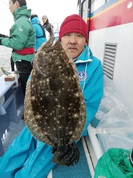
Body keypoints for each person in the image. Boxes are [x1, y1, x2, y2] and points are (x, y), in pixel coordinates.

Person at [0, 14, 103, 178]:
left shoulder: (94, 66)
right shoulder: (46, 58)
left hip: (66, 130)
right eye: (68, 35)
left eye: (79, 35)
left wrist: (70, 137)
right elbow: (32, 90)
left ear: (86, 40)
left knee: (30, 172)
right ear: (61, 39)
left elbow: (89, 104)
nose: (73, 40)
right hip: (41, 120)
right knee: (10, 157)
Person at [0, 0, 35, 96]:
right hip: (27, 61)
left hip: (24, 62)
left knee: (28, 93)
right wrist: (5, 37)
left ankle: (29, 110)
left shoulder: (21, 22)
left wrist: (1, 41)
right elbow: (20, 39)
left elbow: (18, 44)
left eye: (10, 4)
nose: (9, 7)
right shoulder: (23, 20)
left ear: (17, 4)